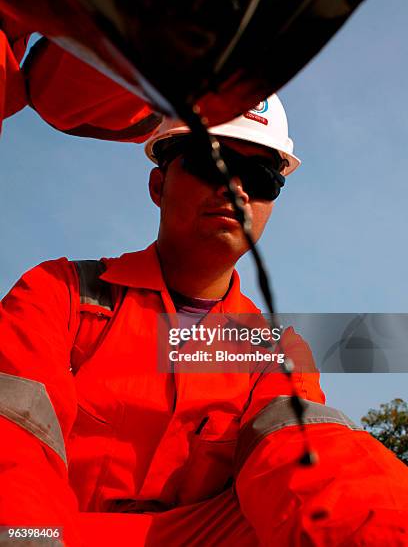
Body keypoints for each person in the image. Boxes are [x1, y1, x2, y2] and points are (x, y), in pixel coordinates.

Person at [0, 95, 407, 547]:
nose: (235, 188)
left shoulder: (273, 354)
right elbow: (12, 445)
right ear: (158, 186)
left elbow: (317, 464)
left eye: (260, 177)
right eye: (210, 163)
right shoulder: (63, 294)